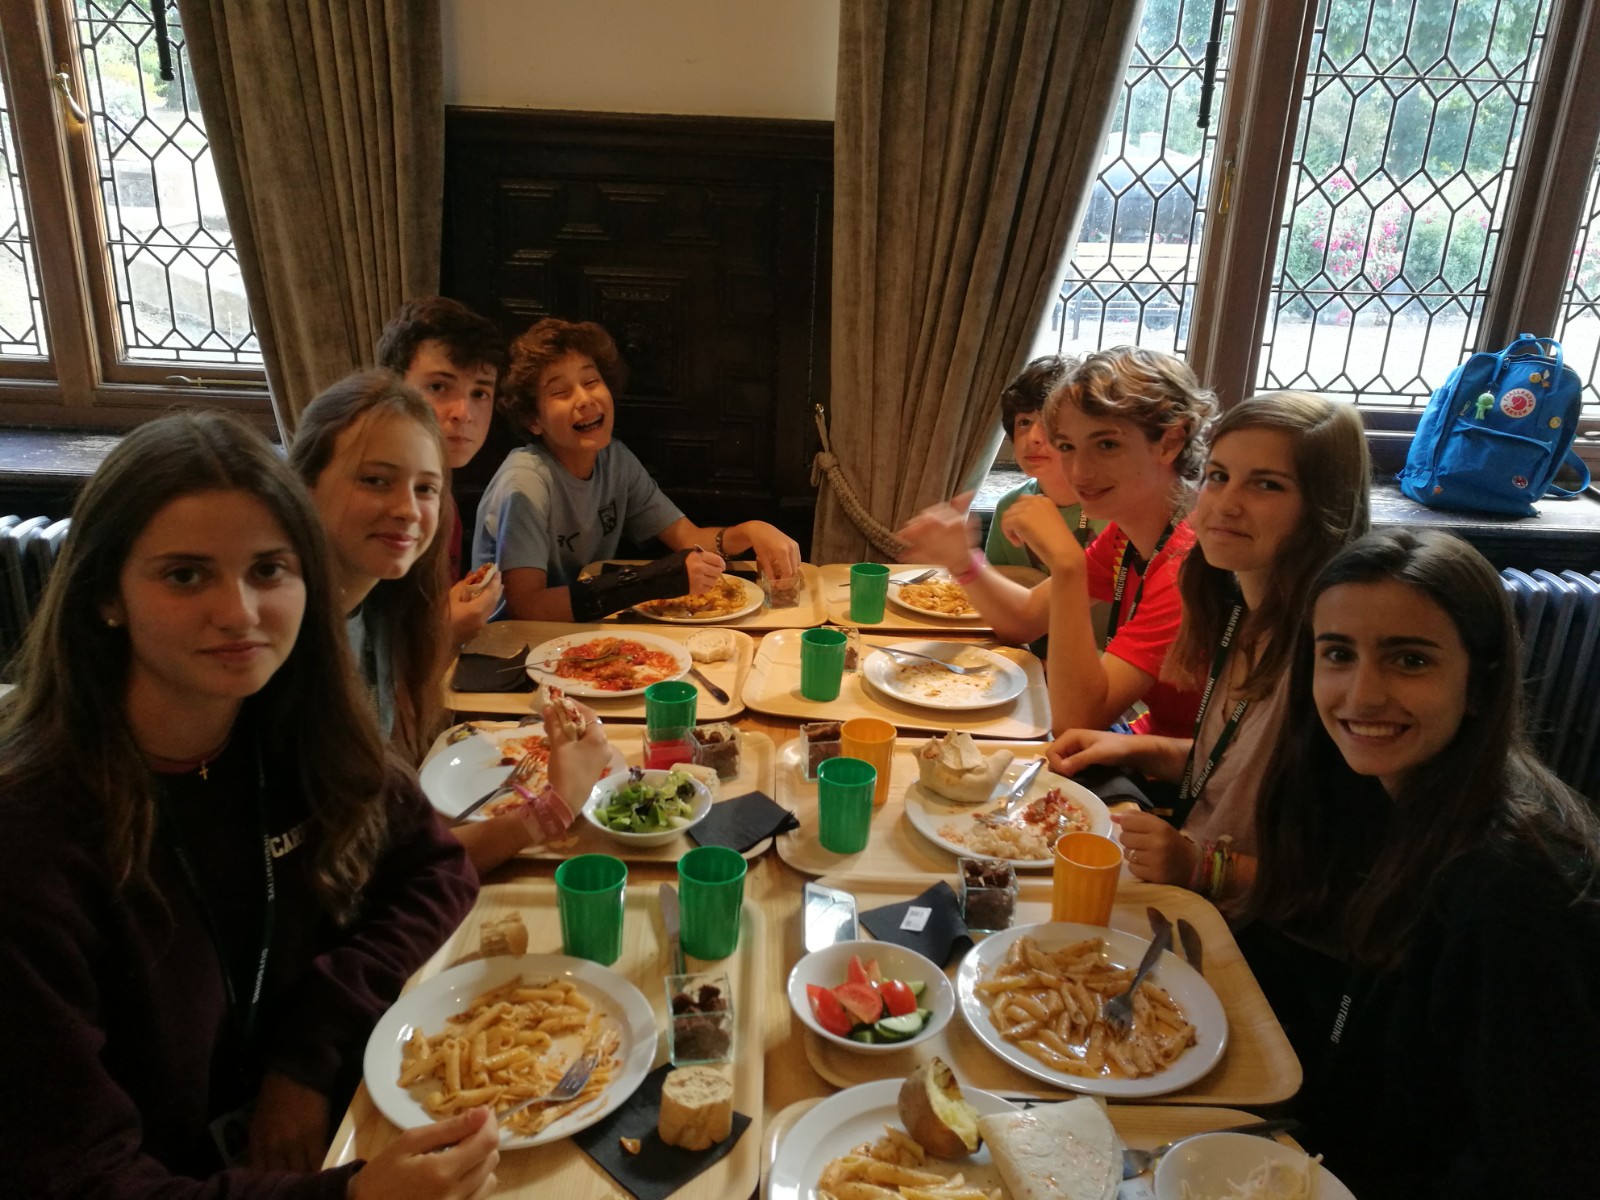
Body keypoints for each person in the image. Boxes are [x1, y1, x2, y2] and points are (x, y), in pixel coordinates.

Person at [0, 409, 501, 1198]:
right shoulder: (30, 838)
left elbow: (434, 869)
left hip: (335, 1126)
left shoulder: (296, 730)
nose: (239, 613)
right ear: (105, 595)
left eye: (269, 570)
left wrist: (305, 1055)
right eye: (185, 575)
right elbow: (79, 1179)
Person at [1244, 529, 1600, 1198]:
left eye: (1409, 660)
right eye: (1338, 654)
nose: (1362, 695)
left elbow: (1543, 1164)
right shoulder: (1370, 794)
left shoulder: (1509, 893)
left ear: (1479, 684)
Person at [1049, 392, 1370, 910]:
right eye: (1218, 476)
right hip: (1192, 885)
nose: (1226, 504)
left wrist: (1201, 866)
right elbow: (1236, 772)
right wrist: (1134, 749)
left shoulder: (1336, 656)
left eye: (1266, 484)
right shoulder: (1234, 610)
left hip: (1251, 927)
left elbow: (1350, 881)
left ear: (1324, 507)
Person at [292, 373, 612, 874]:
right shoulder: (286, 643)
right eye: (375, 480)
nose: (407, 509)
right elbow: (373, 872)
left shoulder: (381, 607)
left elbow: (393, 830)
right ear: (303, 485)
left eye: (425, 488)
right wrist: (554, 806)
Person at [473, 317, 803, 621]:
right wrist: (653, 582)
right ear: (532, 419)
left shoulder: (615, 460)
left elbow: (688, 538)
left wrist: (752, 531)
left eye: (591, 381)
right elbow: (526, 607)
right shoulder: (525, 481)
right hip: (512, 646)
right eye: (560, 392)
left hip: (580, 630)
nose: (585, 399)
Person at [1000, 346, 1217, 737]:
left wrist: (1067, 563)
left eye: (1106, 445)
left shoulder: (1188, 562)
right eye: (1067, 446)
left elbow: (1076, 720)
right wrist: (964, 563)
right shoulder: (1127, 532)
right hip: (1143, 740)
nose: (1079, 472)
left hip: (1189, 772)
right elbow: (1023, 621)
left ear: (1171, 441)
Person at [897, 355, 1108, 645]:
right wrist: (963, 562)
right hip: (1023, 655)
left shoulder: (1111, 515)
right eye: (1024, 422)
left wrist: (965, 562)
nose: (1033, 437)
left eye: (1049, 422)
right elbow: (1010, 618)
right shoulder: (1013, 504)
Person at [375, 295, 510, 644]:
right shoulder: (373, 500)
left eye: (479, 393)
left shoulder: (441, 496)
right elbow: (354, 648)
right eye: (438, 387)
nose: (463, 412)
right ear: (391, 389)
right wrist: (444, 630)